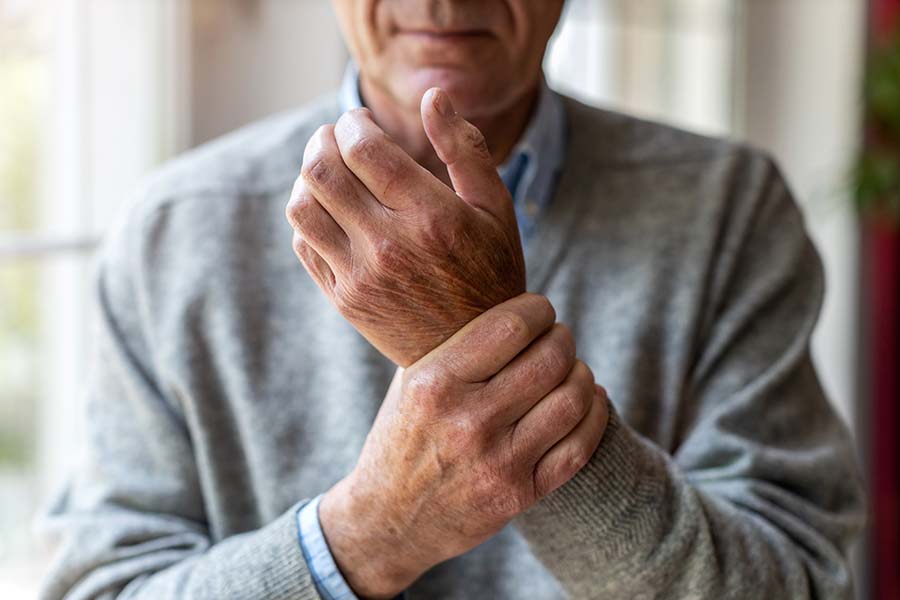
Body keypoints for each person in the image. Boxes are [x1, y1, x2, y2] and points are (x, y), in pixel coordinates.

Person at [40, 1, 865, 598]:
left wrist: (477, 338)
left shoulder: (725, 207)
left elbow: (796, 581)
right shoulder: (175, 230)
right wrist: (369, 534)